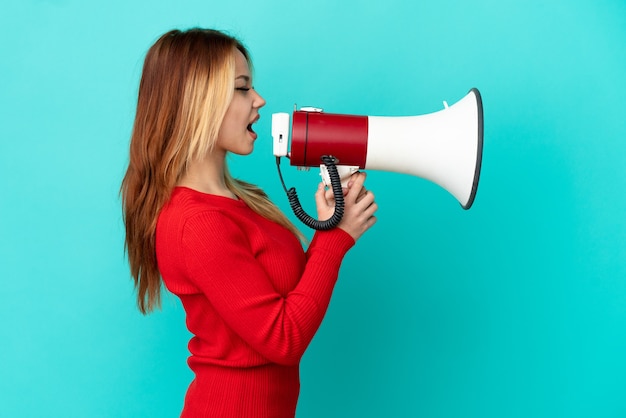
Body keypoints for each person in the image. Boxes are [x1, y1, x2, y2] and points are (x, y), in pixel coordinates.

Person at [121, 28, 377, 417]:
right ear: (198, 102)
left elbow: (288, 298)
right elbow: (283, 337)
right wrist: (336, 240)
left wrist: (329, 224)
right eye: (242, 89)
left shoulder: (240, 199)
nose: (259, 100)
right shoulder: (198, 224)